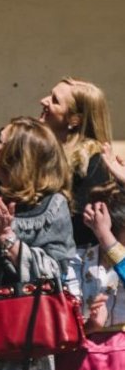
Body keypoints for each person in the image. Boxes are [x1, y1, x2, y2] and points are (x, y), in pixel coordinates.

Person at [0, 117, 74, 370]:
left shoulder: (51, 205)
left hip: (18, 345)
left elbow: (58, 273)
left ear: (18, 156)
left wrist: (8, 239)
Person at [57, 190, 125, 370]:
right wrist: (88, 326)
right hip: (82, 358)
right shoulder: (77, 259)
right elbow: (59, 315)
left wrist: (107, 238)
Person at [39, 77, 113, 246]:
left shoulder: (91, 163)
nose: (43, 101)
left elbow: (83, 225)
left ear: (74, 120)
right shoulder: (45, 151)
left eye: (55, 100)